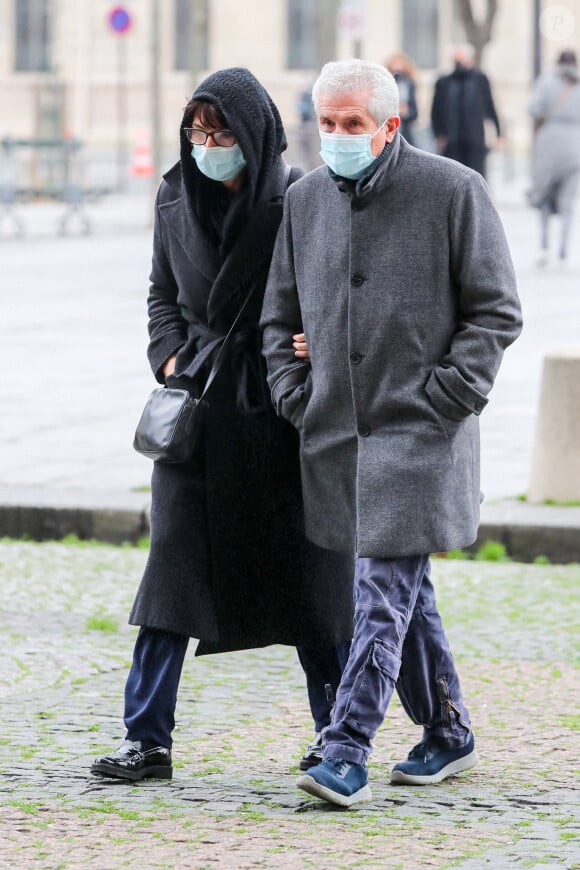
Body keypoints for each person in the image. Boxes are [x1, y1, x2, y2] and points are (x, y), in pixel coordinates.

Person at [261, 59, 522, 807]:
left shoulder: (453, 191)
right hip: (337, 435)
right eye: (328, 123)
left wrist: (447, 397)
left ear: (390, 124)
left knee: (379, 591)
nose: (338, 137)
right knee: (405, 590)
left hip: (421, 435)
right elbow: (280, 318)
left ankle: (347, 746)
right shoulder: (304, 200)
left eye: (354, 124)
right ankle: (447, 730)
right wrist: (295, 394)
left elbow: (496, 310)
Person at [90, 68, 354, 783]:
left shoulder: (299, 197)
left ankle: (338, 739)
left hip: (276, 414)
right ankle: (147, 740)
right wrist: (170, 356)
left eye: (222, 132)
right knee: (171, 578)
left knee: (310, 582)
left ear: (255, 132)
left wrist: (312, 344)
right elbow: (160, 294)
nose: (208, 145)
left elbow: (333, 282)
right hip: (200, 412)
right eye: (198, 132)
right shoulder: (174, 194)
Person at [528, 49, 580, 265]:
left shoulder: (546, 82)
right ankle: (563, 250)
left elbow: (533, 108)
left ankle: (544, 244)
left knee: (544, 197)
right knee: (568, 201)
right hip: (575, 145)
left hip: (549, 143)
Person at [431, 44, 501, 177]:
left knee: (476, 176)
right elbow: (436, 110)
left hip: (474, 140)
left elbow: (489, 105)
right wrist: (438, 133)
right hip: (451, 141)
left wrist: (498, 132)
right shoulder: (444, 82)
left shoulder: (480, 79)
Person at [386, 52, 418, 145]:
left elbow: (414, 113)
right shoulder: (385, 83)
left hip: (404, 131)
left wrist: (406, 112)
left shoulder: (409, 84)